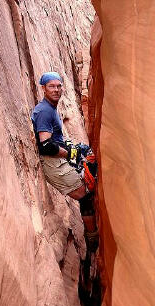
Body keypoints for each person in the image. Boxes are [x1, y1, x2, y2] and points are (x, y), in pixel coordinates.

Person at [31, 71, 98, 250]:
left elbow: (55, 139)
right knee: (86, 196)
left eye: (59, 86)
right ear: (43, 88)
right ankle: (92, 240)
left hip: (58, 158)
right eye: (52, 86)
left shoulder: (50, 108)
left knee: (89, 161)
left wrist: (74, 148)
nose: (56, 89)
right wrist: (70, 154)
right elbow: (46, 146)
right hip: (54, 163)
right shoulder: (45, 111)